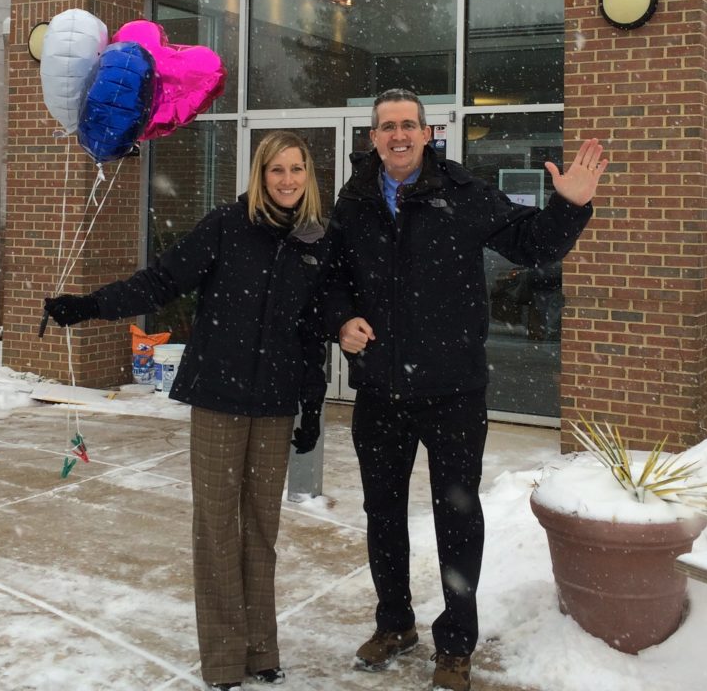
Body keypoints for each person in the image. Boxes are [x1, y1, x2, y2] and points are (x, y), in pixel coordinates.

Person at [321, 90, 607, 691]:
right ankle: (395, 623)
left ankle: (455, 644)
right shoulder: (353, 203)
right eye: (386, 127)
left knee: (458, 520)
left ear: (428, 133)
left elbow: (533, 246)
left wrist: (569, 207)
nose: (398, 135)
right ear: (371, 138)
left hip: (452, 391)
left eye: (408, 125)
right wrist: (341, 319)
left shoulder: (465, 193)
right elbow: (331, 280)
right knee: (382, 514)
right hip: (378, 390)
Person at [44, 130, 330, 691]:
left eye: (297, 169)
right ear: (260, 175)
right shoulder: (226, 226)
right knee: (218, 527)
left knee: (262, 529)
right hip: (219, 399)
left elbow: (314, 332)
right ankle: (224, 659)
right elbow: (161, 281)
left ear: (309, 176)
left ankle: (261, 648)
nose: (288, 180)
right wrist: (90, 305)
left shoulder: (318, 240)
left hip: (275, 403)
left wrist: (311, 408)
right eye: (277, 170)